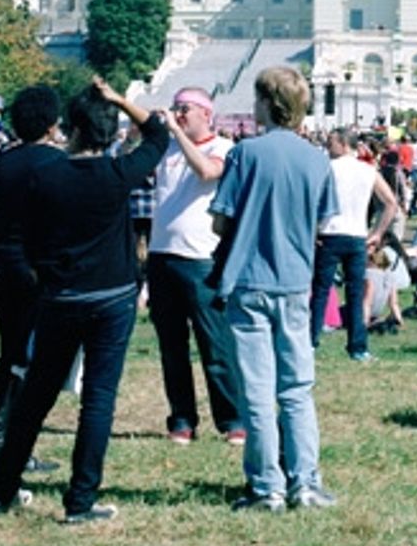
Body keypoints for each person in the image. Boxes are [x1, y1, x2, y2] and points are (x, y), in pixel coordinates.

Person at [0, 80, 169, 522]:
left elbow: (20, 236)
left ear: (70, 129)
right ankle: (80, 500)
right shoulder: (117, 174)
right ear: (108, 134)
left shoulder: (46, 176)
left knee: (36, 395)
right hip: (112, 295)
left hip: (61, 294)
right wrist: (121, 100)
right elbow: (159, 134)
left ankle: (3, 489)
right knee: (98, 399)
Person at [209, 67, 340, 513]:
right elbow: (324, 221)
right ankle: (305, 480)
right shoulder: (317, 159)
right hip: (294, 280)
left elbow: (219, 219)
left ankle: (267, 486)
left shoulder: (245, 154)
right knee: (297, 389)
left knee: (258, 391)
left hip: (248, 279)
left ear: (267, 103)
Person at [146, 87, 243, 446]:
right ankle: (182, 418)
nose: (179, 114)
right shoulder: (166, 148)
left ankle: (232, 417)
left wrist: (174, 132)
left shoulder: (224, 149)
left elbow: (205, 172)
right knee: (172, 346)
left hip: (201, 258)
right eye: (175, 108)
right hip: (162, 255)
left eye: (185, 108)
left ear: (206, 113)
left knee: (215, 345)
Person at [0, 84, 62, 471]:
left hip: (3, 265)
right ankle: (10, 447)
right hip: (35, 270)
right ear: (51, 123)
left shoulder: (2, 162)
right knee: (27, 363)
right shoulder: (53, 164)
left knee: (9, 356)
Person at [310, 127, 398, 364]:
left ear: (343, 144)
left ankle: (311, 341)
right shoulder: (368, 170)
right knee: (356, 292)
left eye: (331, 142)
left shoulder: (326, 168)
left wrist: (312, 230)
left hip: (329, 233)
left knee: (320, 291)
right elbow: (390, 202)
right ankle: (358, 346)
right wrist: (377, 233)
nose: (327, 147)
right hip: (357, 235)